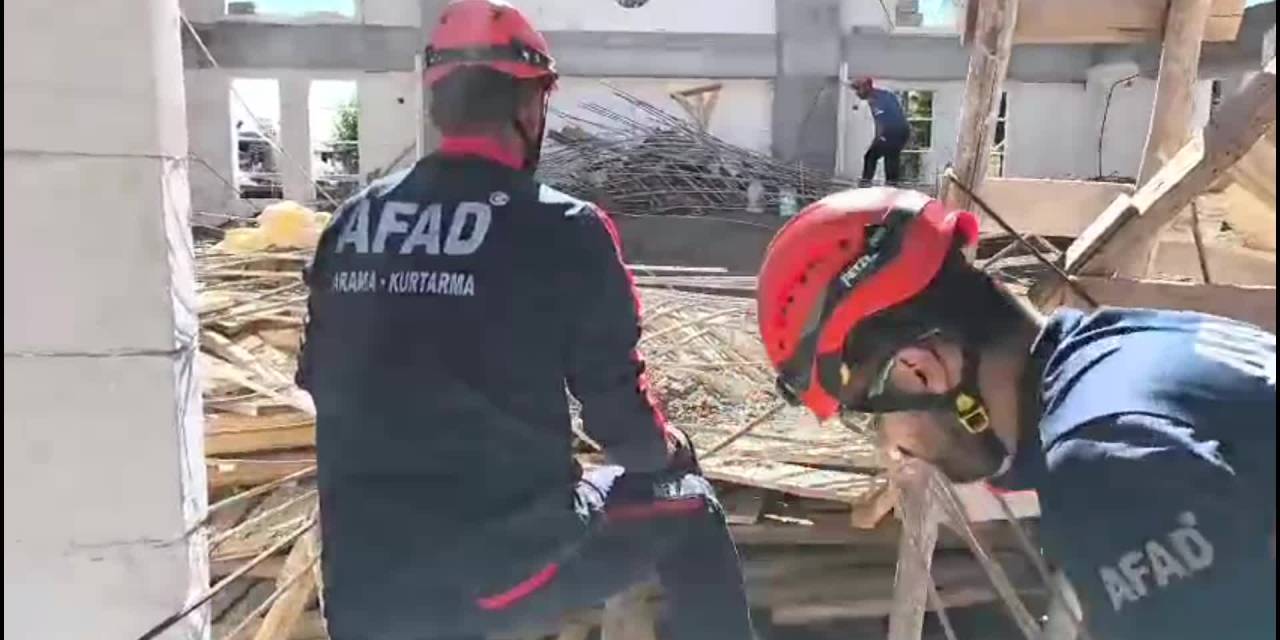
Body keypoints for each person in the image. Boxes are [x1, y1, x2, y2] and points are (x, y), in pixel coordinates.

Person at [296, 2, 755, 639]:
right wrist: (672, 450)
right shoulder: (565, 230)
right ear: (529, 106)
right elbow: (623, 428)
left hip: (362, 589)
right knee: (689, 505)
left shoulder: (350, 223)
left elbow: (317, 380)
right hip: (495, 577)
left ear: (436, 104)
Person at [756, 187, 1276, 640]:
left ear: (920, 372)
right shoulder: (1127, 351)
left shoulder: (1106, 459)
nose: (892, 449)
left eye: (870, 420)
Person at [850, 77, 910, 187]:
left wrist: (877, 139)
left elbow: (881, 124)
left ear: (867, 87)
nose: (857, 93)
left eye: (858, 90)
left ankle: (883, 185)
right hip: (899, 130)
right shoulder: (881, 95)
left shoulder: (876, 100)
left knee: (884, 156)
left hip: (896, 131)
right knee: (878, 155)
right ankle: (887, 184)